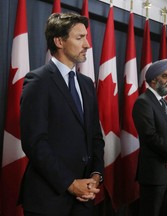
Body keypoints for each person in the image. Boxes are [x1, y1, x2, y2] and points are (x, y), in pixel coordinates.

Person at [19, 12, 104, 216]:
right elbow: (35, 143)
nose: (87, 45)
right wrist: (70, 183)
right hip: (49, 200)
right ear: (59, 41)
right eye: (79, 37)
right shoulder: (37, 82)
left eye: (86, 37)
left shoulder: (86, 84)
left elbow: (95, 136)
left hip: (84, 199)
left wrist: (96, 174)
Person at [132, 59, 167, 216]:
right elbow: (150, 136)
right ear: (153, 80)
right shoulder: (143, 102)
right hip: (154, 174)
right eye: (165, 76)